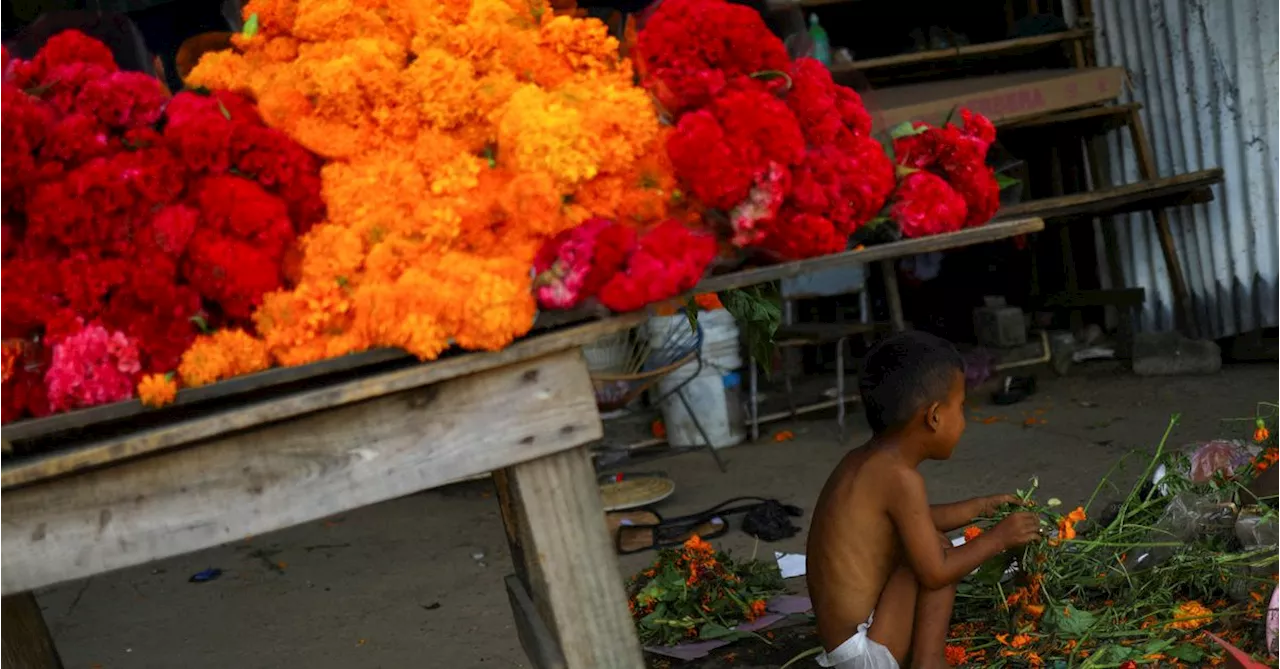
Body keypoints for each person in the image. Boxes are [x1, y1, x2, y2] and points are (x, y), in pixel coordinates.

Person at [806, 331, 1042, 669]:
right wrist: (1000, 537)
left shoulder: (865, 462)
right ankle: (928, 662)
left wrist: (980, 507)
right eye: (960, 407)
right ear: (933, 417)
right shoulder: (902, 479)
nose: (964, 420)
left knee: (923, 541)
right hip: (865, 655)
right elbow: (935, 573)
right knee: (937, 552)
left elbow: (909, 519)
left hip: (848, 646)